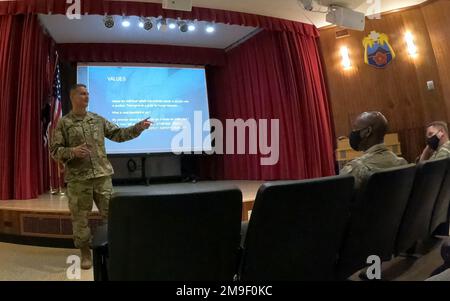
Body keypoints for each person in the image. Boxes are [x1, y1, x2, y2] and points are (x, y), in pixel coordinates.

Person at [50, 84, 152, 269]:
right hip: (78, 180)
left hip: (102, 176)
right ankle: (85, 252)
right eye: (82, 94)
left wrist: (139, 127)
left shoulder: (96, 120)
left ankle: (111, 248)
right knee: (80, 219)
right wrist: (72, 151)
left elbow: (118, 134)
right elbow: (55, 151)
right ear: (73, 97)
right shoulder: (64, 123)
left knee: (111, 215)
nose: (87, 96)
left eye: (88, 93)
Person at [340, 111, 408, 188]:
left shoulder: (356, 169)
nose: (352, 133)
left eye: (355, 128)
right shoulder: (402, 163)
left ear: (368, 131)